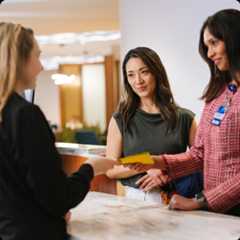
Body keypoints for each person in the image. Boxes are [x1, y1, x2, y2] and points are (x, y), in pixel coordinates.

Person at [0, 22, 116, 240]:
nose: (41, 67)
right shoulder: (25, 115)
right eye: (37, 56)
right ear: (20, 60)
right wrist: (89, 168)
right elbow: (59, 197)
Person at [128, 9, 240, 216]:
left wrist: (200, 202)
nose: (209, 54)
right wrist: (158, 161)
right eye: (207, 47)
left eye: (214, 43)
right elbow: (199, 154)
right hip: (216, 212)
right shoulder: (217, 95)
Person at [106, 47, 202, 203]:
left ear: (156, 72)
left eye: (144, 72)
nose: (138, 81)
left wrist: (164, 170)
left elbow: (200, 161)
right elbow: (110, 169)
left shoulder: (185, 118)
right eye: (131, 75)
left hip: (177, 199)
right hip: (134, 200)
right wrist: (148, 165)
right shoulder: (121, 119)